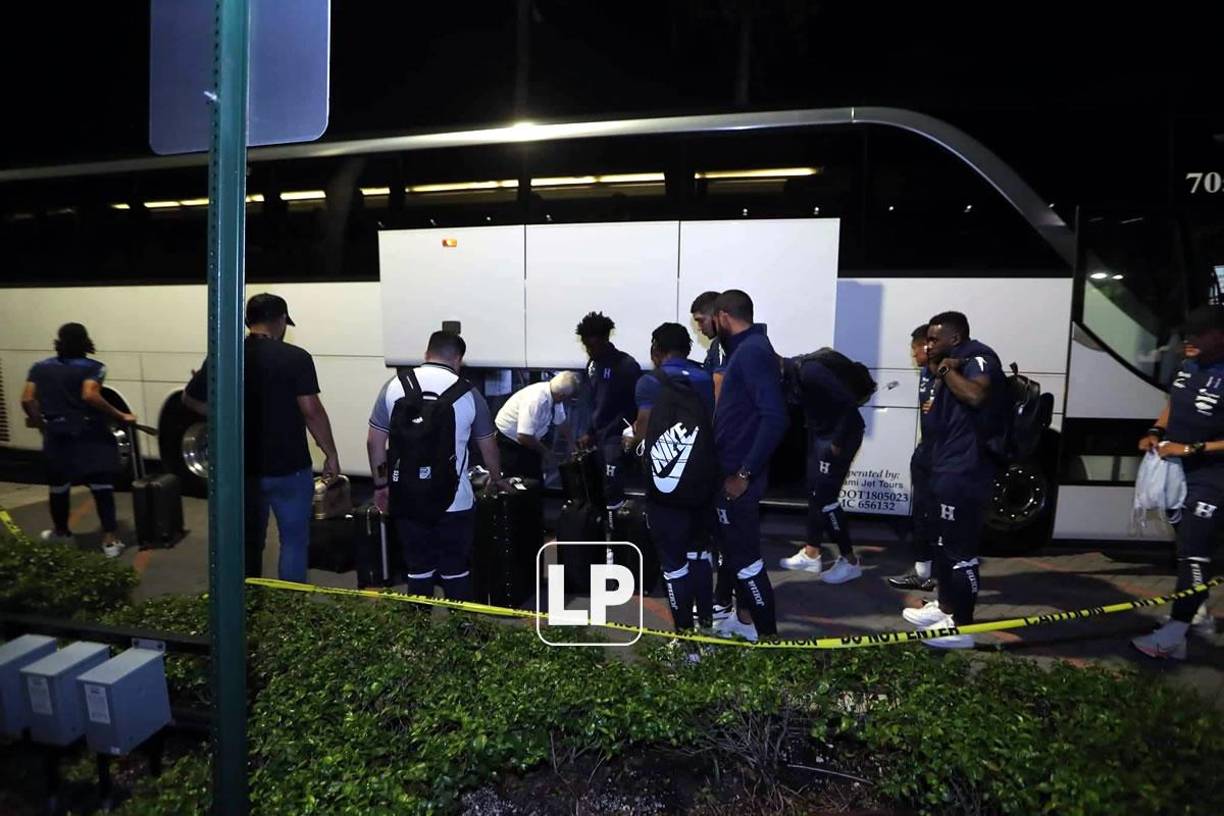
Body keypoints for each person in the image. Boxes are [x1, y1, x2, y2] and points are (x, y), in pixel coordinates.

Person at [183, 293, 340, 581]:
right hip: (290, 466)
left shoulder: (224, 356)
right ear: (280, 321)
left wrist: (222, 412)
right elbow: (311, 411)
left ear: (248, 321)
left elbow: (191, 400)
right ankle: (288, 606)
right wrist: (330, 452)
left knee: (250, 542)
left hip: (244, 468)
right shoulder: (296, 358)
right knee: (293, 542)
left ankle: (250, 604)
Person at [366, 330, 508, 602]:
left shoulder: (394, 386)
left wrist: (381, 485)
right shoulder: (469, 393)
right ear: (458, 359)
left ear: (426, 353)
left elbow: (374, 443)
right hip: (455, 501)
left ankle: (419, 634)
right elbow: (489, 447)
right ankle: (463, 633)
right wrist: (496, 477)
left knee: (418, 569)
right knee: (456, 569)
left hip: (406, 497)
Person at [899, 311, 1004, 649]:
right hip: (943, 466)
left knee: (961, 553)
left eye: (933, 339)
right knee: (944, 545)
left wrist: (945, 370)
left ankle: (962, 628)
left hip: (966, 471)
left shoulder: (979, 358)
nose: (927, 346)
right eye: (926, 340)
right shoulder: (946, 363)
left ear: (954, 338)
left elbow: (976, 395)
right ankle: (945, 609)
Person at [1131, 304, 1224, 659]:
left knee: (1195, 551)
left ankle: (1174, 636)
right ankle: (1195, 611)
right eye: (1187, 333)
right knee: (1185, 544)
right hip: (1174, 471)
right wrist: (1156, 430)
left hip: (1213, 476)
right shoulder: (1188, 366)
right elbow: (1174, 402)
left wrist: (1193, 447)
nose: (1189, 339)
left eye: (1198, 333)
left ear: (1220, 336)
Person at [709, 290, 789, 641]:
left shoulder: (753, 351)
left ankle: (767, 638)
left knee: (747, 560)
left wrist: (744, 474)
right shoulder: (746, 349)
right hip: (730, 472)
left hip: (737, 478)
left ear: (723, 316)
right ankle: (745, 621)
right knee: (735, 555)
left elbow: (775, 418)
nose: (708, 326)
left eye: (709, 319)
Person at [628, 323, 717, 631]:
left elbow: (643, 427)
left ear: (656, 350)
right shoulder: (707, 379)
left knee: (673, 564)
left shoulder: (649, 382)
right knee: (699, 554)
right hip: (704, 481)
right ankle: (706, 628)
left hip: (666, 485)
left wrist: (632, 441)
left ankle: (684, 639)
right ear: (688, 349)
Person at [21, 323, 135, 558]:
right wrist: (120, 415)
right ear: (86, 342)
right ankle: (110, 541)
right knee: (102, 487)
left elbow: (27, 399)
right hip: (90, 432)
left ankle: (62, 534)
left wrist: (39, 422)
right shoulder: (94, 367)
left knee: (59, 487)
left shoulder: (40, 368)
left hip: (57, 434)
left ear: (59, 341)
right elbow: (89, 394)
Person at [779, 351, 873, 583]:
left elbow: (848, 404)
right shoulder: (792, 376)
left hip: (837, 438)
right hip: (820, 433)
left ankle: (850, 562)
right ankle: (812, 553)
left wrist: (837, 442)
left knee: (826, 499)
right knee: (815, 493)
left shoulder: (810, 371)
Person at [574, 312, 642, 525]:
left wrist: (632, 431)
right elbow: (592, 402)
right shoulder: (592, 365)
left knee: (613, 487)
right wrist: (588, 431)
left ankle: (617, 538)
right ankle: (603, 535)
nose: (589, 351)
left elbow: (639, 403)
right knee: (597, 487)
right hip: (598, 436)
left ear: (605, 339)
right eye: (586, 346)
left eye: (592, 345)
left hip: (616, 437)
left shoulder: (626, 365)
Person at [888, 324, 940, 591]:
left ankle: (941, 581)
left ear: (927, 347)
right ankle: (922, 574)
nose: (913, 354)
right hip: (925, 453)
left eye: (914, 348)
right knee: (920, 515)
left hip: (940, 459)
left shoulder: (949, 376)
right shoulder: (926, 373)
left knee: (935, 517)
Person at [494, 371, 580, 481]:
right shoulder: (535, 400)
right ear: (561, 396)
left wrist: (572, 445)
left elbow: (561, 422)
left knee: (535, 476)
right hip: (511, 442)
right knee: (524, 481)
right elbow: (524, 436)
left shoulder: (555, 395)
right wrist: (546, 453)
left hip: (529, 438)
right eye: (569, 397)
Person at [690, 291, 725, 374]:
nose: (699, 327)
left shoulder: (722, 344)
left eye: (701, 321)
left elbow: (719, 383)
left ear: (717, 316)